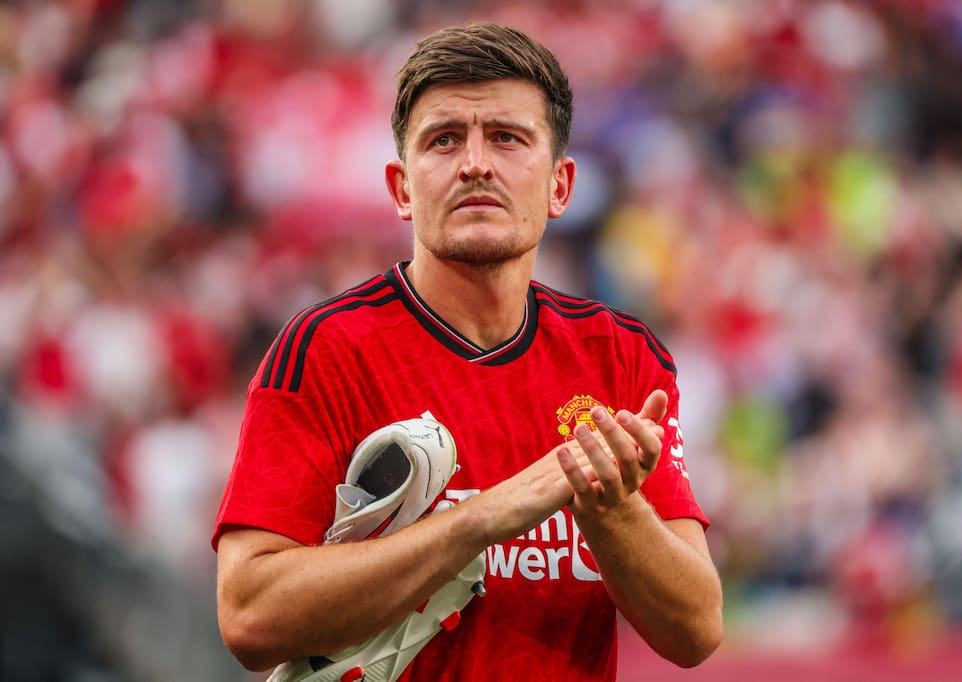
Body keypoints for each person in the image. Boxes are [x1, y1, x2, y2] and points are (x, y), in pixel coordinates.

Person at [213, 20, 723, 681]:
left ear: (560, 186)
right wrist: (479, 519)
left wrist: (612, 510)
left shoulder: (622, 357)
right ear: (402, 189)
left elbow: (695, 631)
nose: (475, 163)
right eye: (444, 140)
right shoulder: (326, 349)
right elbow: (248, 617)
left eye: (507, 137)